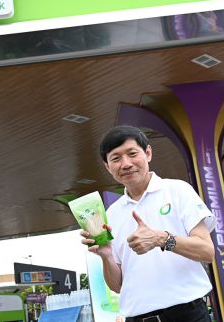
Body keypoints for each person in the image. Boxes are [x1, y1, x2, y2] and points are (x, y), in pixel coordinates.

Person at [80, 125, 215, 321]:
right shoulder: (111, 214)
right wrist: (106, 256)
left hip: (187, 315)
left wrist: (161, 238)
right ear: (108, 167)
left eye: (132, 153)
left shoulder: (177, 190)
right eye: (116, 158)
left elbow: (207, 252)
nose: (126, 164)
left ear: (148, 153)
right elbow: (117, 286)